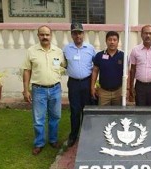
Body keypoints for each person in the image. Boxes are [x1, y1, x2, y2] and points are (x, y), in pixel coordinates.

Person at [22, 25, 66, 155]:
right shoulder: (31, 51)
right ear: (38, 36)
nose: (45, 37)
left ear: (51, 36)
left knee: (55, 116)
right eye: (42, 34)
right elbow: (26, 71)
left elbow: (63, 66)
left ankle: (53, 140)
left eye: (47, 34)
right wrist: (26, 90)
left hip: (55, 89)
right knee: (38, 119)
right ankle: (39, 143)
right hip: (38, 90)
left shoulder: (58, 51)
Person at [63, 22, 96, 147]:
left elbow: (95, 67)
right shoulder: (66, 49)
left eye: (80, 33)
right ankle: (74, 135)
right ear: (71, 34)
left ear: (83, 34)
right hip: (73, 83)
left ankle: (87, 134)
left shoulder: (90, 48)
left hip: (87, 82)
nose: (78, 35)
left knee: (87, 109)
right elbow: (63, 64)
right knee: (75, 110)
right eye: (75, 33)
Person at [129, 25, 151, 106]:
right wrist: (131, 86)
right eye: (145, 33)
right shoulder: (135, 50)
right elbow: (133, 69)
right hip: (139, 86)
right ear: (141, 35)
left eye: (150, 33)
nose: (148, 35)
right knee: (140, 111)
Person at [91, 31, 124, 106]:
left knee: (117, 115)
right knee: (103, 115)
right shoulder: (99, 55)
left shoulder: (122, 56)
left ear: (118, 42)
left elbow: (127, 73)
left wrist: (127, 89)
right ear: (106, 41)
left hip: (118, 91)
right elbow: (95, 71)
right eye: (110, 40)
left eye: (114, 40)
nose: (112, 42)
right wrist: (92, 87)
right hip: (103, 92)